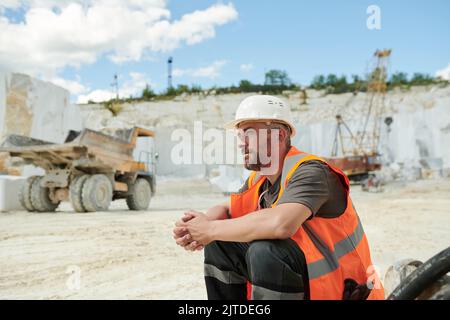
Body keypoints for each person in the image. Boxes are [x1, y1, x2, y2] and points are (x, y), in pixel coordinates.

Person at [173, 95, 384, 300]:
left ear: (279, 135)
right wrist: (201, 224)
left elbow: (281, 224)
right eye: (240, 136)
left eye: (248, 134)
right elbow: (227, 209)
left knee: (266, 250)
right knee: (219, 242)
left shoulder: (312, 171)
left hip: (343, 291)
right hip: (310, 286)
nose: (241, 143)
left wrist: (209, 230)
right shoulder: (260, 179)